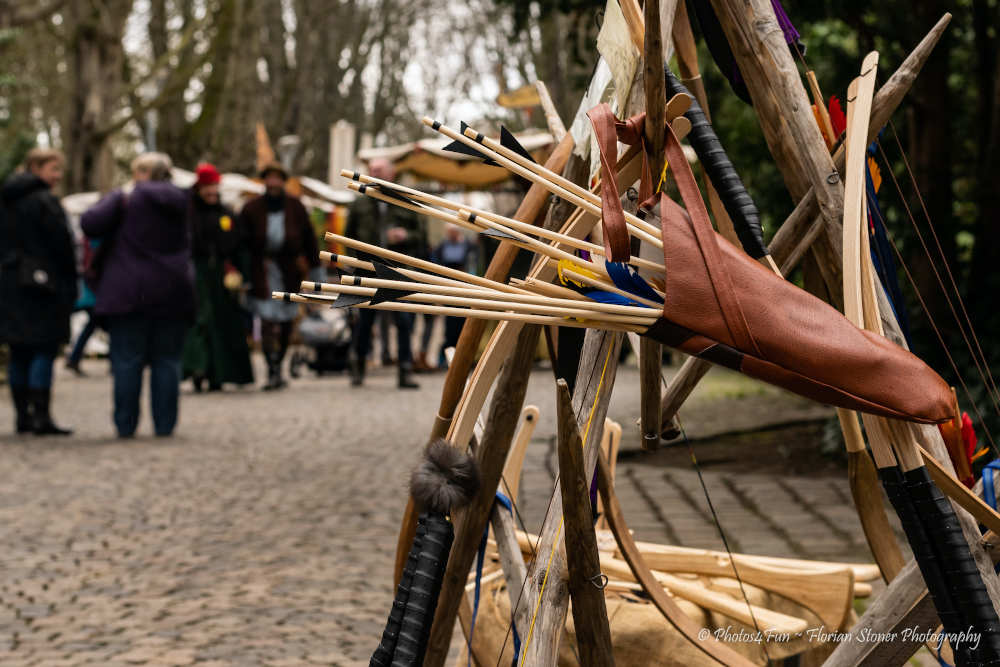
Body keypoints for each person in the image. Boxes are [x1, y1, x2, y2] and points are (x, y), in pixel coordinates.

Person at [81, 152, 194, 438]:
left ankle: (125, 424)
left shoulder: (127, 197)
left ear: (140, 173)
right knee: (167, 361)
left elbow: (90, 223)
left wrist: (119, 196)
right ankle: (165, 425)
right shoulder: (182, 200)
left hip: (128, 290)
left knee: (127, 361)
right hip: (173, 290)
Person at [0, 148, 77, 435]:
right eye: (53, 169)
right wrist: (69, 282)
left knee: (19, 350)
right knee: (44, 347)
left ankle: (23, 416)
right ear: (36, 167)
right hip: (44, 285)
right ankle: (40, 416)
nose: (57, 176)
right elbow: (62, 247)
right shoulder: (44, 202)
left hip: (10, 282)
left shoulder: (6, 200)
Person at [345, 158, 426, 389]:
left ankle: (405, 370)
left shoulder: (404, 202)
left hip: (397, 270)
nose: (374, 173)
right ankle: (358, 366)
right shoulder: (359, 204)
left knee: (403, 320)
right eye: (371, 170)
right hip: (367, 270)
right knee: (365, 321)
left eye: (379, 170)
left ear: (391, 174)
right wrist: (353, 262)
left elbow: (420, 236)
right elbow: (347, 236)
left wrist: (405, 236)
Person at [241, 161, 320, 391]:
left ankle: (280, 361)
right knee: (266, 319)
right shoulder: (251, 208)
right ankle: (271, 368)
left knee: (286, 319)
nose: (273, 183)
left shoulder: (296, 207)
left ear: (283, 181)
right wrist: (244, 273)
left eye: (277, 178)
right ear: (264, 181)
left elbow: (309, 241)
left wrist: (315, 273)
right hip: (262, 270)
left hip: (288, 271)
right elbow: (243, 244)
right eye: (269, 178)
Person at [181, 163, 254, 392]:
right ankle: (197, 367)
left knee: (224, 323)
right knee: (200, 321)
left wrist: (242, 272)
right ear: (199, 187)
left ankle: (219, 373)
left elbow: (241, 245)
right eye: (207, 187)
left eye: (214, 187)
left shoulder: (226, 213)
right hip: (197, 273)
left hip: (222, 275)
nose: (211, 192)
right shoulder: (188, 213)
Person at [432, 224, 478, 366]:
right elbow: (437, 268)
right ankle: (446, 359)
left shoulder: (469, 246)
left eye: (453, 232)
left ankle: (465, 359)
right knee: (450, 326)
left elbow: (473, 267)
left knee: (465, 325)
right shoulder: (441, 247)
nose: (451, 235)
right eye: (449, 232)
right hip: (448, 290)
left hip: (465, 290)